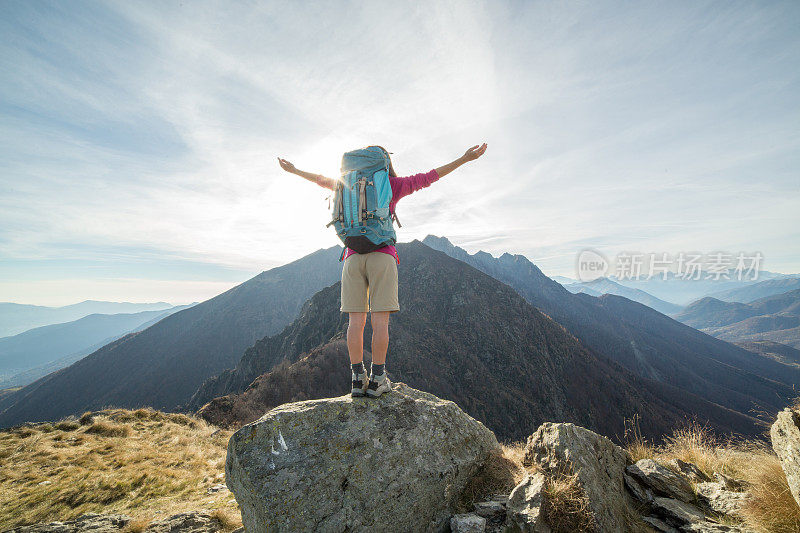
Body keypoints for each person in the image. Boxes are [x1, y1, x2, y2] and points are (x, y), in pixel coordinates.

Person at [277, 143, 487, 398]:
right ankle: (377, 380)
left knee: (355, 322)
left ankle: (356, 378)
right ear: (385, 164)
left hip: (352, 258)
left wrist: (296, 170)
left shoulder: (345, 184)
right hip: (382, 256)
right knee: (380, 323)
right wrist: (464, 158)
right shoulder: (392, 185)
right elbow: (430, 177)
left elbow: (322, 180)